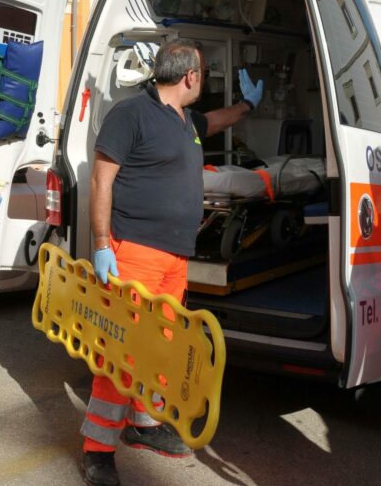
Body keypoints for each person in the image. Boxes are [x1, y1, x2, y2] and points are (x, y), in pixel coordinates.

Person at [80, 40, 263, 486]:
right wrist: (102, 243)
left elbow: (217, 121)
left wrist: (246, 105)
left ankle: (144, 426)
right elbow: (101, 182)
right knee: (123, 349)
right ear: (191, 77)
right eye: (203, 73)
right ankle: (97, 452)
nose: (203, 80)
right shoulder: (131, 115)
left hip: (175, 256)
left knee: (161, 344)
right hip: (135, 252)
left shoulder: (186, 121)